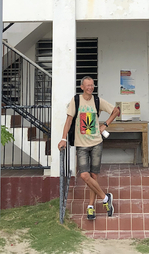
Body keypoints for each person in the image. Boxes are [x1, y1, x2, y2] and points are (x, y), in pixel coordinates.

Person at [58, 76, 121, 221]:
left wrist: (105, 124)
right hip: (81, 145)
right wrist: (63, 138)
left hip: (96, 143)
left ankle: (91, 206)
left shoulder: (97, 101)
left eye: (92, 85)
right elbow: (68, 120)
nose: (90, 88)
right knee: (84, 175)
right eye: (87, 85)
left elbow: (116, 111)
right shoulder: (76, 100)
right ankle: (106, 198)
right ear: (82, 87)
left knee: (93, 176)